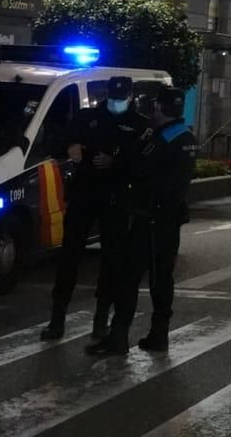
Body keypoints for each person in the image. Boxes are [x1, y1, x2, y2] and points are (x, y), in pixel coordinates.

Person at [89, 87, 197, 355]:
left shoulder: (163, 139)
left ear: (160, 108)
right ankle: (159, 335)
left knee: (128, 278)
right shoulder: (186, 137)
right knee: (162, 279)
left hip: (150, 219)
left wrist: (117, 161)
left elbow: (137, 167)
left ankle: (118, 337)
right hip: (169, 219)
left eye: (152, 105)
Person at [42, 75, 150, 341]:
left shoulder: (139, 125)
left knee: (112, 260)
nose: (116, 102)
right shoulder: (85, 118)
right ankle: (57, 318)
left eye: (121, 98)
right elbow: (56, 141)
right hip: (84, 195)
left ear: (130, 97)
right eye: (112, 97)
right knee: (69, 256)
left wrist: (116, 162)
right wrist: (71, 146)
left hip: (116, 199)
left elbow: (143, 165)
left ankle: (101, 318)